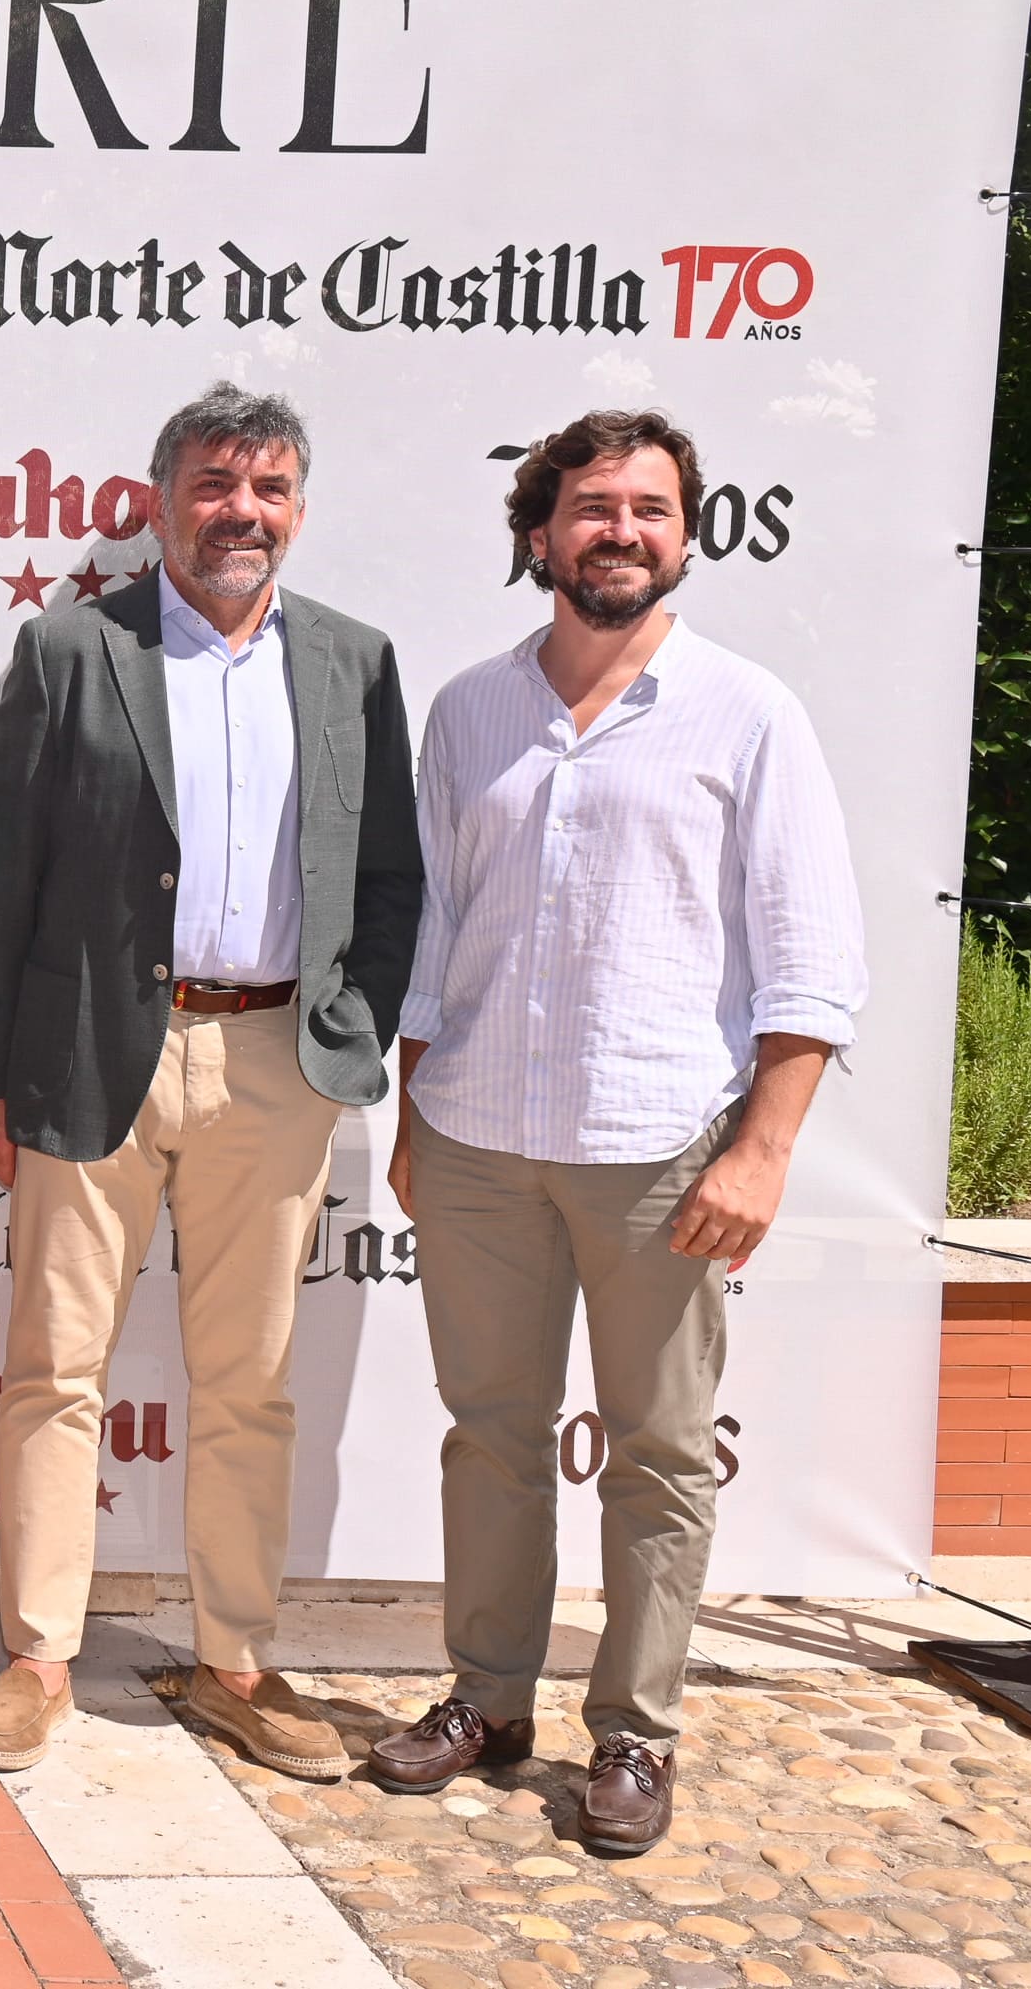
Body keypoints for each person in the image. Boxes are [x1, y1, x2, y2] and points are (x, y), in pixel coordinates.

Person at [368, 410, 863, 1854]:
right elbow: (435, 934)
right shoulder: (469, 710)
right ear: (542, 534)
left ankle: (637, 1733)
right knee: (493, 1436)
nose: (623, 530)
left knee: (657, 1451)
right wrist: (411, 1111)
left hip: (663, 1149)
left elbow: (808, 950)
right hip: (474, 1134)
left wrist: (763, 1147)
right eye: (594, 506)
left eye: (651, 507)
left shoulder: (749, 712)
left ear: (687, 535)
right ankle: (487, 1699)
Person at [0, 382, 422, 1782]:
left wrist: (355, 1028)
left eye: (270, 489)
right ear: (162, 502)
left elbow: (390, 874)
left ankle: (235, 1661)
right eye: (218, 485)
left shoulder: (352, 661)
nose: (243, 513)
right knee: (54, 1368)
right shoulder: (68, 651)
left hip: (277, 1059)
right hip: (93, 1048)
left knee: (247, 1382)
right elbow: (4, 876)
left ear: (298, 508)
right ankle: (39, 1657)